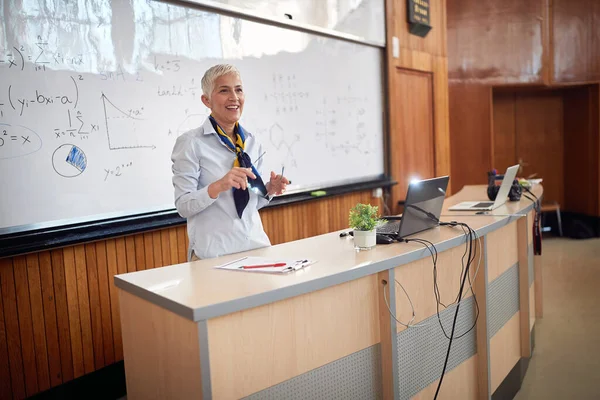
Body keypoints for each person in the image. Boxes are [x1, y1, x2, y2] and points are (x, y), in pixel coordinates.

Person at [171, 64, 289, 261]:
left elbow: (245, 204)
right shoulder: (191, 143)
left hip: (256, 249)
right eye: (224, 90)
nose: (234, 97)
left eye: (238, 89)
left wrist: (268, 190)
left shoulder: (251, 142)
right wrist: (218, 186)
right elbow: (183, 206)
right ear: (206, 100)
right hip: (214, 256)